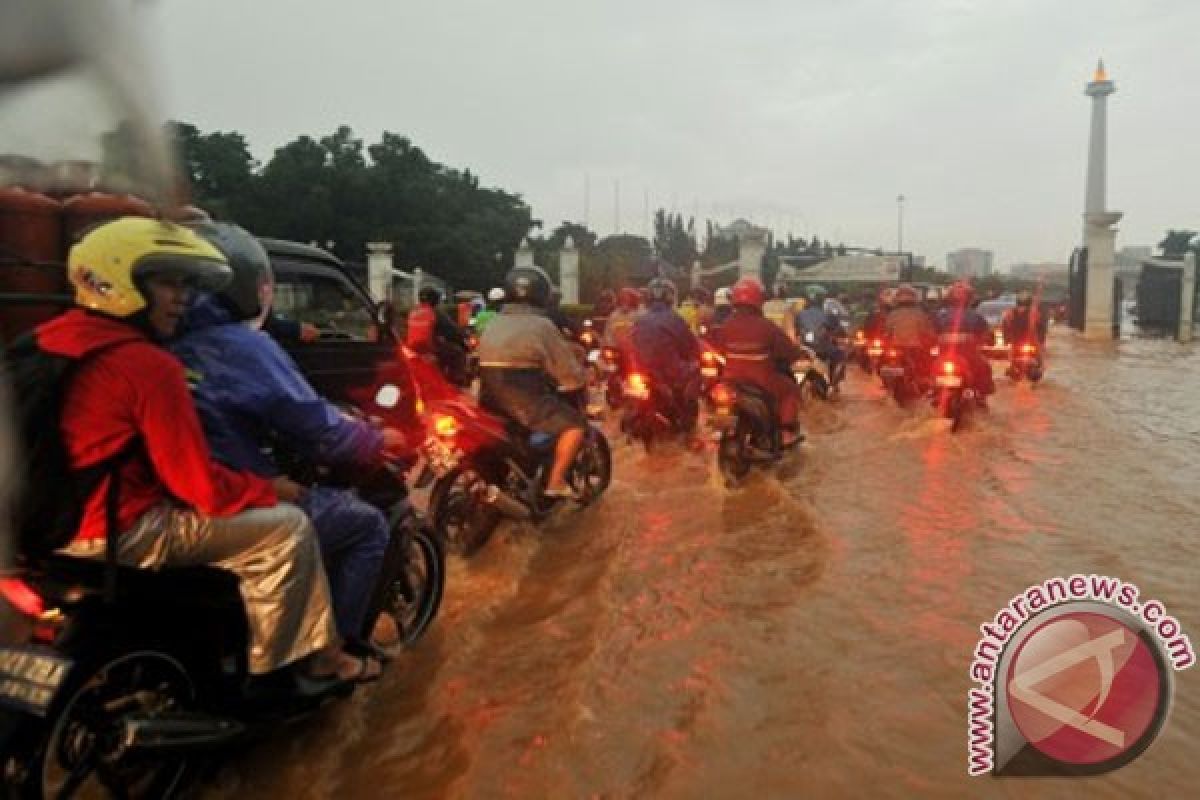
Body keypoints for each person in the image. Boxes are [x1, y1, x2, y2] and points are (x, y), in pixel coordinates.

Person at [39, 217, 343, 683]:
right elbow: (202, 489)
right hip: (117, 529)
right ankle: (286, 673)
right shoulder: (148, 365)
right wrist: (271, 489)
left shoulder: (46, 340)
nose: (182, 297)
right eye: (166, 282)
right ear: (120, 281)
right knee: (289, 530)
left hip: (42, 524)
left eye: (185, 284)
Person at [172, 223, 409, 679]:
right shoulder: (243, 346)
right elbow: (317, 427)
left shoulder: (161, 340)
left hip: (175, 491)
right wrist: (377, 440)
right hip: (227, 492)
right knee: (365, 525)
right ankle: (328, 655)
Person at [477, 266, 588, 498]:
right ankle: (555, 482)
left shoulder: (492, 322)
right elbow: (567, 372)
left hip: (488, 396)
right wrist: (577, 382)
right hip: (521, 396)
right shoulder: (542, 325)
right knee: (574, 426)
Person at [708, 277, 808, 447]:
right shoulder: (767, 327)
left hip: (731, 382)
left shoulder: (726, 325)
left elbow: (715, 346)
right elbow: (788, 351)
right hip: (762, 382)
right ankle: (786, 432)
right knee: (790, 390)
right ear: (758, 301)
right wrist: (799, 354)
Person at [629, 278, 702, 430]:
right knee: (696, 370)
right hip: (670, 373)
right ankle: (687, 421)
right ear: (671, 298)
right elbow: (691, 347)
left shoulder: (639, 320)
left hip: (641, 371)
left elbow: (631, 344)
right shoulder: (675, 319)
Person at [935, 281, 996, 399]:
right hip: (968, 358)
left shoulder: (939, 315)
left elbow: (929, 334)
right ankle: (980, 396)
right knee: (984, 369)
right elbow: (987, 336)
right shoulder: (976, 316)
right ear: (970, 299)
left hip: (944, 357)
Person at [407, 286, 469, 385]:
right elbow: (452, 330)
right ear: (435, 299)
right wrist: (463, 337)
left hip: (412, 349)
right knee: (458, 352)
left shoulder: (413, 312)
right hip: (431, 348)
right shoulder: (436, 312)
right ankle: (456, 382)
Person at [885, 284, 938, 380]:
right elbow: (927, 332)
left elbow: (887, 331)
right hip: (915, 348)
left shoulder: (893, 314)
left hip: (897, 347)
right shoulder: (920, 314)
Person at [795, 288, 848, 382]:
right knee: (841, 355)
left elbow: (796, 330)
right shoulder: (827, 315)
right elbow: (836, 328)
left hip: (805, 347)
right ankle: (832, 380)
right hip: (822, 347)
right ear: (822, 300)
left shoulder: (800, 314)